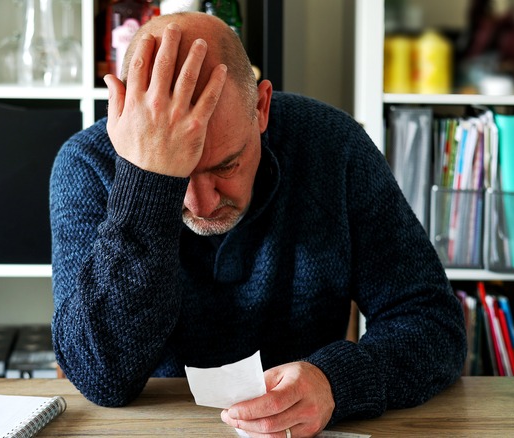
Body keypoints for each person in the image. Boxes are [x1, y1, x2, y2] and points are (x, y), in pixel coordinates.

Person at [50, 11, 466, 438]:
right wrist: (146, 183)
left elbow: (434, 323)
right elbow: (101, 377)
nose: (203, 203)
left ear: (261, 107)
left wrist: (335, 383)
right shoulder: (87, 164)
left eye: (226, 165)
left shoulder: (333, 147)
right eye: (180, 179)